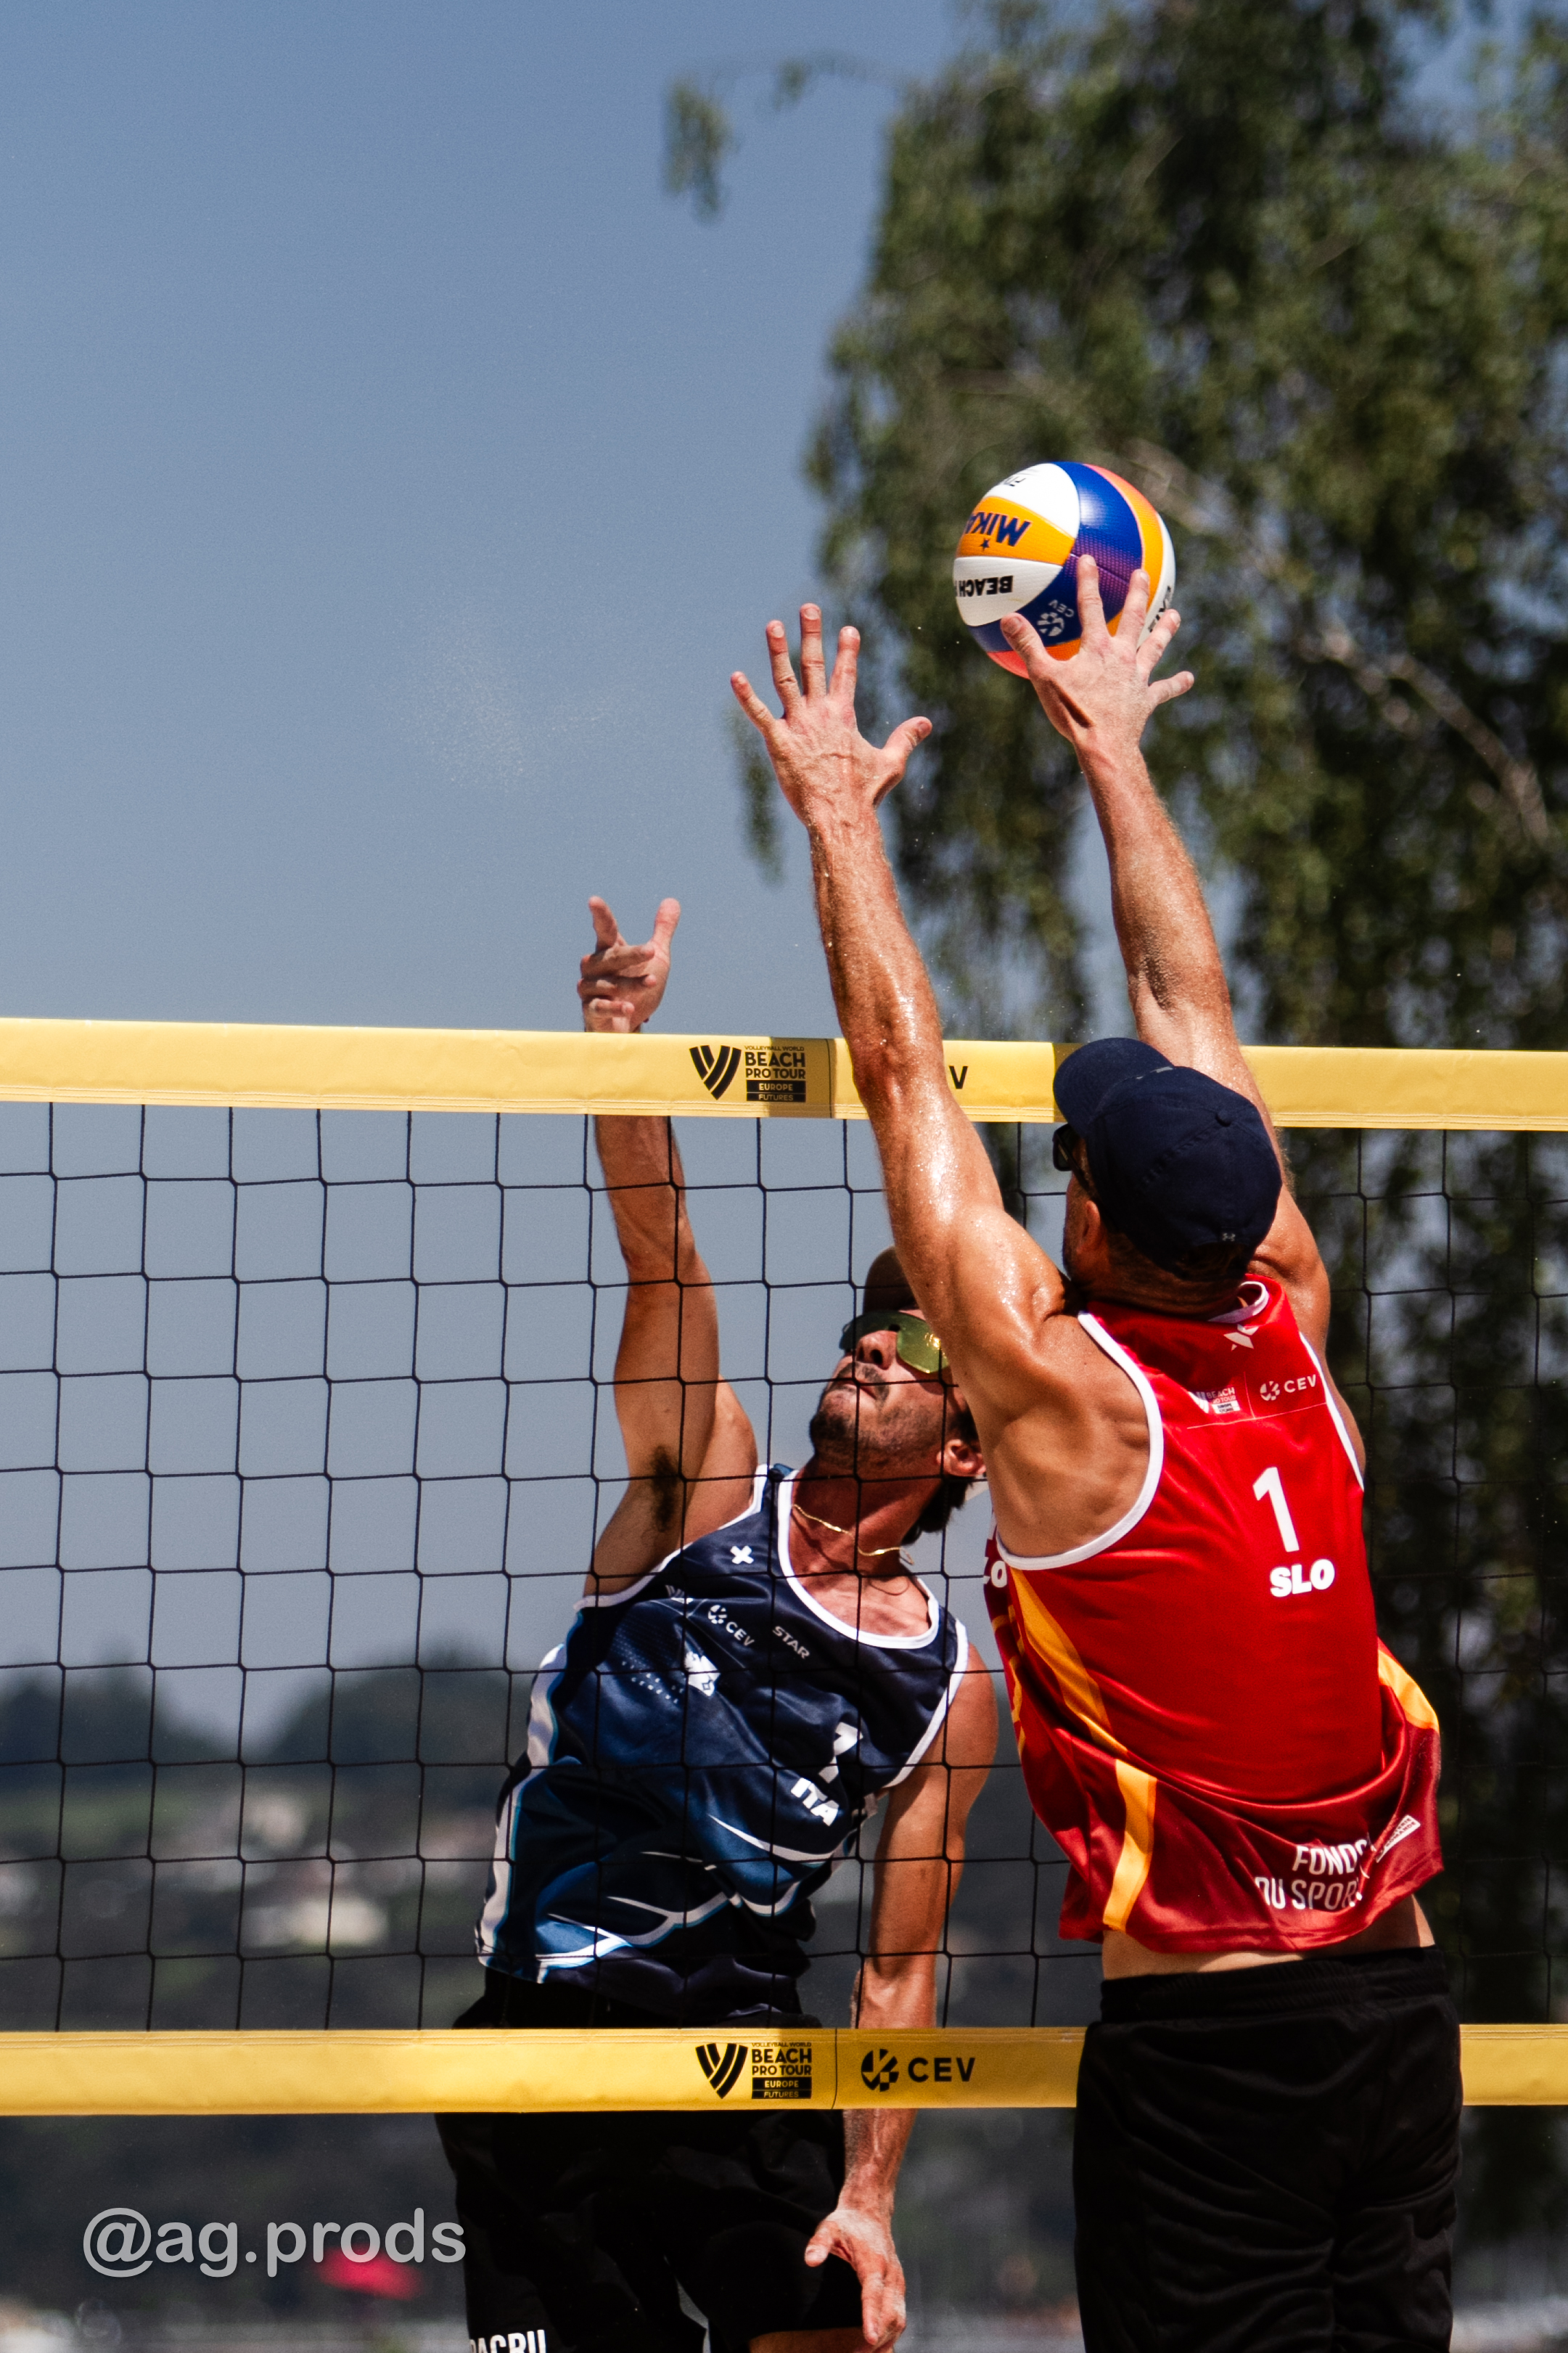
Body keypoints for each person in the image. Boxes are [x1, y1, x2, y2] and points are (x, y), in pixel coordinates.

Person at [732, 565, 1459, 2352]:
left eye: (1070, 1164)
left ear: (1107, 1229)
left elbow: (902, 1074)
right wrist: (1113, 748)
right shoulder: (1291, 1309)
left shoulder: (1069, 1402)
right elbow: (1185, 993)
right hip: (1399, 2011)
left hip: (1220, 2050)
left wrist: (837, 814)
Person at [437, 893, 998, 2353]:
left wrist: (870, 2194)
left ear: (966, 1444)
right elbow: (664, 1256)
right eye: (867, 1323)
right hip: (544, 2046)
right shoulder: (707, 1494)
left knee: (831, 2331)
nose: (872, 1340)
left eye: (916, 1338)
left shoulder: (945, 1682)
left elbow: (899, 1969)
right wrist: (620, 1050)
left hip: (738, 2070)